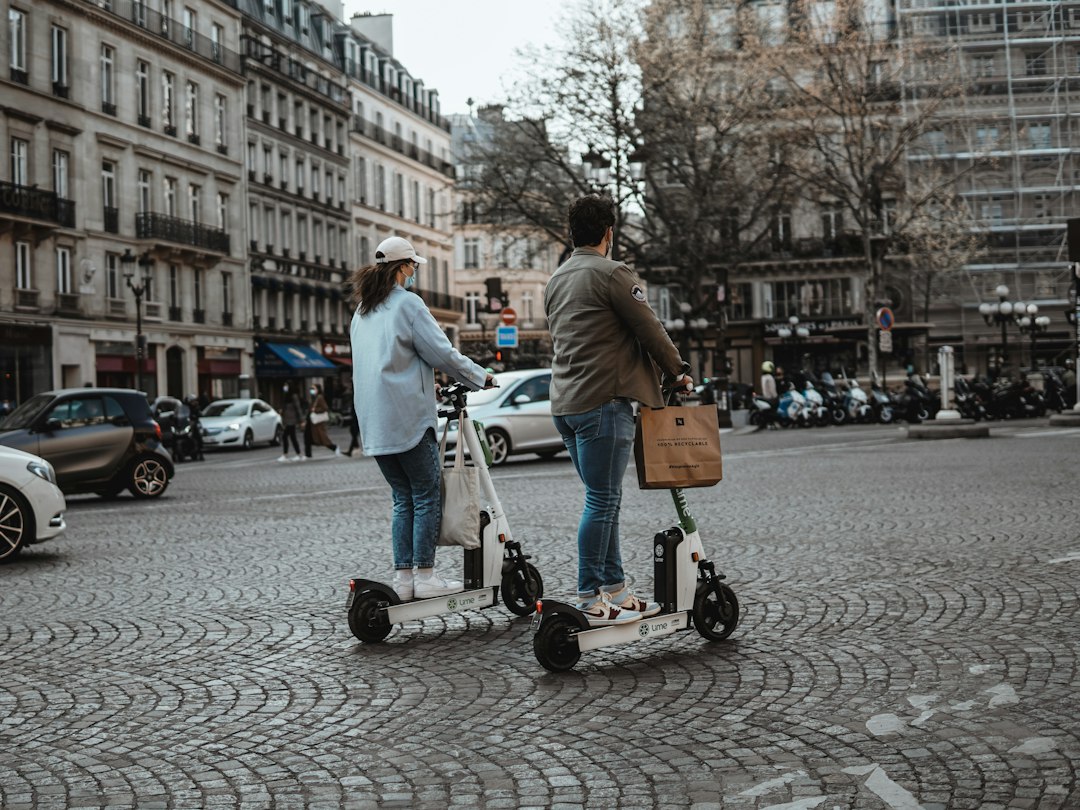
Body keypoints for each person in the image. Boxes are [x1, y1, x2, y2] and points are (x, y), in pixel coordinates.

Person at [545, 194, 693, 626]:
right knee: (603, 500)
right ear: (610, 232)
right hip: (603, 402)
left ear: (572, 233)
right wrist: (678, 370)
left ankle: (617, 590)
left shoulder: (557, 279)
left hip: (566, 404)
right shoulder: (612, 273)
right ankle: (590, 594)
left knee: (603, 500)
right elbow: (650, 328)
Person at [350, 235, 494, 601]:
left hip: (374, 422)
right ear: (402, 268)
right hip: (407, 418)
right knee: (427, 494)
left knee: (403, 497)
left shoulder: (363, 311)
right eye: (413, 266)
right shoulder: (408, 305)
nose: (415, 272)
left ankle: (404, 579)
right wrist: (481, 377)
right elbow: (441, 354)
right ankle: (426, 575)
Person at [304, 383, 339, 458]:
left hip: (316, 423)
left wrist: (315, 410)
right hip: (311, 422)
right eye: (311, 389)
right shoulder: (313, 397)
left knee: (322, 439)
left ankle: (334, 447)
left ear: (318, 389)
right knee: (307, 438)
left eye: (314, 389)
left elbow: (325, 408)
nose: (312, 390)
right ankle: (308, 455)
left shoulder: (319, 397)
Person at [278, 382, 304, 461]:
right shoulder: (286, 396)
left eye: (286, 386)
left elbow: (298, 408)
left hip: (292, 420)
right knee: (292, 437)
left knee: (285, 436)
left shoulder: (294, 396)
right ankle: (298, 454)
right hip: (287, 420)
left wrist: (301, 420)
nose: (285, 387)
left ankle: (286, 454)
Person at [757, 361, 778, 432]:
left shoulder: (763, 377)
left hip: (765, 396)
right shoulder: (770, 377)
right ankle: (772, 423)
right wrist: (775, 396)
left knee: (768, 411)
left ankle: (769, 423)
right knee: (773, 411)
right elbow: (772, 389)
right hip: (771, 397)